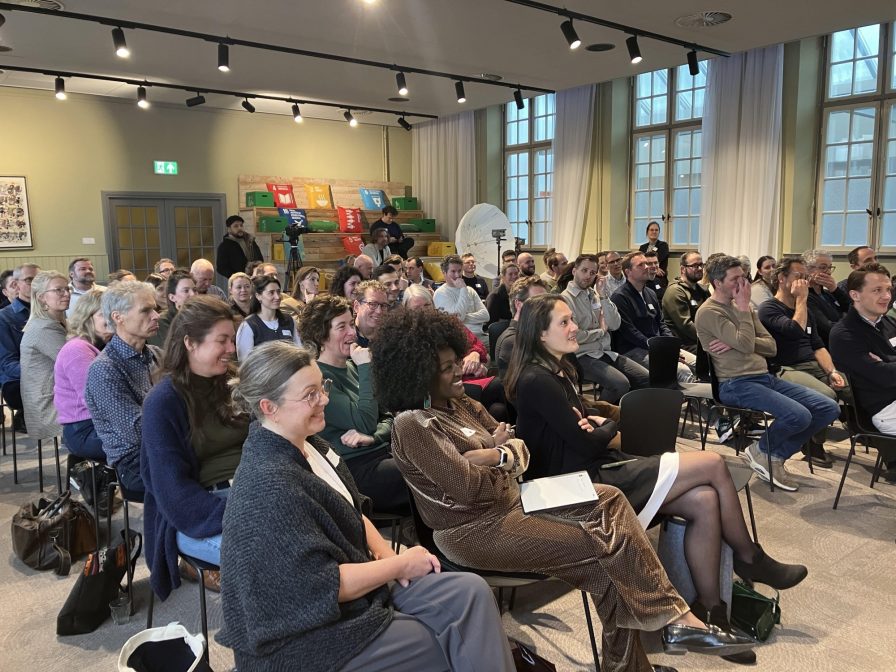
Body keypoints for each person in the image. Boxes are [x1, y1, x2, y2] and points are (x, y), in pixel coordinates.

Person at [370, 306, 759, 670]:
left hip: (515, 502)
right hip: (472, 531)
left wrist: (494, 456)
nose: (459, 371)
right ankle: (669, 627)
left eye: (456, 361)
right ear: (418, 374)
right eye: (446, 368)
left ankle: (658, 636)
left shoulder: (462, 405)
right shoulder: (413, 424)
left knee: (610, 500)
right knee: (608, 552)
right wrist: (500, 456)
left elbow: (521, 450)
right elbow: (470, 490)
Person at [504, 294, 805, 651]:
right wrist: (605, 428)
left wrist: (597, 426)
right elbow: (585, 443)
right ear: (540, 334)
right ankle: (750, 558)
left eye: (572, 319)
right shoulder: (536, 380)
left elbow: (586, 431)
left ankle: (711, 613)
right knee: (712, 463)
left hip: (591, 468)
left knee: (705, 499)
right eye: (564, 322)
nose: (575, 328)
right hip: (574, 486)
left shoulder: (562, 370)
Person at [217, 340, 512, 672]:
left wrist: (390, 559)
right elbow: (319, 586)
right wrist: (399, 567)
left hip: (351, 589)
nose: (324, 399)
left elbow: (353, 511)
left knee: (471, 591)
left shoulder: (312, 445)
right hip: (299, 636)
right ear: (269, 407)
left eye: (322, 387)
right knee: (432, 642)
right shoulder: (268, 484)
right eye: (310, 394)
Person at [695, 256, 841, 492]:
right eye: (735, 279)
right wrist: (744, 318)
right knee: (799, 415)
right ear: (717, 282)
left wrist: (740, 340)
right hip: (734, 383)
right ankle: (764, 451)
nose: (743, 284)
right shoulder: (710, 312)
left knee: (828, 408)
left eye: (743, 277)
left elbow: (771, 346)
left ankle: (771, 455)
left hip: (763, 376)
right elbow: (746, 344)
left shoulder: (742, 308)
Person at [142, 296, 249, 599]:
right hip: (199, 514)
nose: (231, 349)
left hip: (249, 492)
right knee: (275, 557)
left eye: (232, 339)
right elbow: (175, 495)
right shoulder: (163, 402)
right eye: (222, 340)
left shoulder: (232, 383)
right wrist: (244, 508)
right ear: (190, 342)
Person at [299, 295, 410, 515]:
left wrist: (373, 438)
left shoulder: (354, 366)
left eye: (351, 324)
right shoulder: (320, 378)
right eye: (342, 327)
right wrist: (366, 367)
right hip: (354, 469)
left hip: (382, 453)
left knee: (434, 463)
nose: (352, 333)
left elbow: (388, 418)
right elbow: (365, 422)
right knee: (429, 472)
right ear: (320, 335)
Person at [758, 258, 846, 468]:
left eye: (806, 277)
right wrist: (802, 299)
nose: (804, 282)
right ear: (781, 278)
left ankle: (881, 446)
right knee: (827, 396)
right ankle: (813, 445)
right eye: (799, 277)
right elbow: (794, 330)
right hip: (785, 368)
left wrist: (832, 371)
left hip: (812, 364)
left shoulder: (805, 310)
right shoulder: (769, 308)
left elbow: (817, 346)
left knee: (854, 387)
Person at [84, 281, 162, 494]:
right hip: (135, 462)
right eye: (146, 310)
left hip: (166, 446)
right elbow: (137, 431)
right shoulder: (104, 369)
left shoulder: (156, 354)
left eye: (155, 309)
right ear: (118, 317)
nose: (156, 316)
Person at [829, 263, 896, 479]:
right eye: (877, 290)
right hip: (883, 407)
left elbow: (886, 371)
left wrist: (886, 363)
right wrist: (886, 366)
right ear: (855, 295)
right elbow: (883, 377)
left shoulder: (889, 322)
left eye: (888, 289)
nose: (887, 296)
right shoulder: (844, 334)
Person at [561, 254, 649, 403]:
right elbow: (575, 335)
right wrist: (601, 331)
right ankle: (598, 414)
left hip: (605, 352)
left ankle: (623, 413)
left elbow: (614, 325)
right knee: (620, 384)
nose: (588, 276)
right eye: (584, 271)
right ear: (574, 271)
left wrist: (603, 296)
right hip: (581, 356)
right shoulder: (564, 299)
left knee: (644, 378)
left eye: (592, 273)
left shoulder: (595, 295)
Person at [611, 251, 696, 382]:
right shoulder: (620, 297)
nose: (647, 267)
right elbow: (630, 333)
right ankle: (682, 395)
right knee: (682, 370)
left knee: (696, 363)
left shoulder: (650, 293)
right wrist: (660, 350)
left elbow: (661, 323)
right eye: (641, 265)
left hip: (658, 346)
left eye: (646, 263)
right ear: (628, 272)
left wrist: (671, 346)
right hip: (634, 349)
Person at [53, 289, 113, 460]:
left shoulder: (103, 345)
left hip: (98, 425)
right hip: (84, 430)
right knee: (149, 443)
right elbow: (96, 400)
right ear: (87, 318)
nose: (111, 319)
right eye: (103, 314)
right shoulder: (77, 349)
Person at [20, 271, 70, 443]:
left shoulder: (56, 322)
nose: (66, 294)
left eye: (67, 289)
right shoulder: (44, 328)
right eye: (59, 290)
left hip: (59, 395)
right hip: (48, 405)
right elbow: (75, 363)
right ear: (41, 297)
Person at [0, 263, 39, 429]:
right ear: (16, 285)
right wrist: (43, 372)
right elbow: (8, 364)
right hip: (18, 380)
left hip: (48, 375)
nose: (36, 284)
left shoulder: (53, 311)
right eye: (29, 280)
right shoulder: (4, 317)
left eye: (39, 280)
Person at [235, 274, 301, 361]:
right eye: (271, 293)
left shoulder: (289, 321)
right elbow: (244, 361)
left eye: (278, 292)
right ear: (258, 296)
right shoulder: (249, 325)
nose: (277, 297)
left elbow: (299, 352)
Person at [495, 276, 548, 378]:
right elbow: (536, 379)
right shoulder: (512, 341)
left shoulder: (538, 332)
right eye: (538, 302)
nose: (546, 307)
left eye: (546, 302)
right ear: (519, 304)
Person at [433, 255, 489, 346]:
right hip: (460, 339)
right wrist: (463, 289)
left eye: (459, 271)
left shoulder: (470, 290)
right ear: (444, 272)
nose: (457, 275)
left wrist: (464, 317)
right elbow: (458, 319)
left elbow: (486, 316)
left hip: (480, 335)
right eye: (453, 271)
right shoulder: (440, 293)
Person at [662, 251, 710, 354]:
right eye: (695, 266)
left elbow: (712, 314)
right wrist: (710, 339)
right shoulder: (675, 291)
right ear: (683, 269)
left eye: (701, 265)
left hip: (700, 339)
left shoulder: (702, 290)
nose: (700, 268)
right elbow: (686, 326)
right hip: (685, 343)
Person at [802, 249, 849, 346]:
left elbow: (852, 309)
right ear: (807, 269)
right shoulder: (805, 296)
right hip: (826, 345)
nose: (828, 272)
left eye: (830, 267)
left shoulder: (829, 293)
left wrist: (835, 289)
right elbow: (826, 327)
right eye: (823, 267)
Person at [150, 269, 195, 348]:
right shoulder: (161, 322)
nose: (193, 294)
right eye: (186, 291)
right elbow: (168, 351)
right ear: (172, 297)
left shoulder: (199, 317)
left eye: (195, 290)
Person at [216, 214, 264, 280]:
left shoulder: (250, 241)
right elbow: (221, 268)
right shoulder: (224, 246)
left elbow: (260, 259)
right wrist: (236, 276)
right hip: (238, 281)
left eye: (241, 225)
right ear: (229, 229)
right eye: (236, 226)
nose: (240, 228)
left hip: (255, 278)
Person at [352, 280, 389, 347]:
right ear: (357, 306)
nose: (379, 311)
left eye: (383, 305)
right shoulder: (347, 338)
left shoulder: (391, 338)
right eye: (372, 304)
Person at [639, 222, 669, 289]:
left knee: (657, 292)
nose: (654, 232)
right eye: (652, 230)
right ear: (647, 232)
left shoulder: (663, 245)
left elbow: (656, 260)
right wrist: (654, 268)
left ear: (659, 232)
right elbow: (640, 262)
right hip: (645, 277)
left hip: (659, 278)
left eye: (656, 230)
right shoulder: (642, 247)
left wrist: (654, 268)